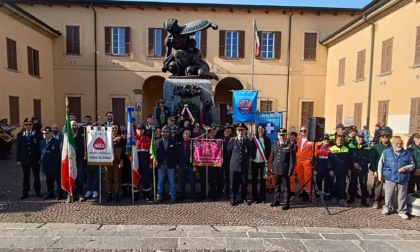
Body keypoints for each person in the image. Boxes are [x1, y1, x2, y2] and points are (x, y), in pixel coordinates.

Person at [378, 136, 415, 220]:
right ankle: (387, 207)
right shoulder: (386, 152)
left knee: (402, 195)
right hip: (389, 176)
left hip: (403, 177)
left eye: (401, 144)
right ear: (392, 144)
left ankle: (402, 211)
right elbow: (380, 163)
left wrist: (406, 168)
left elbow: (412, 165)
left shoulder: (407, 153)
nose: (399, 145)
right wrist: (380, 174)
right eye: (397, 144)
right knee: (388, 193)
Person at [16, 118, 43, 199]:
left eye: (30, 124)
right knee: (26, 176)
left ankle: (38, 191)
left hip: (35, 158)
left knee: (36, 176)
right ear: (24, 125)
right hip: (25, 159)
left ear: (32, 125)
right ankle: (25, 191)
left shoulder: (38, 134)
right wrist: (18, 159)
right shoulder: (20, 135)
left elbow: (40, 147)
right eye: (26, 124)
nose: (28, 126)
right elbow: (18, 148)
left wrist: (40, 158)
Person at [227, 123, 252, 206]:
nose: (240, 132)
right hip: (234, 166)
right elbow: (228, 152)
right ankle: (232, 198)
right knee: (233, 184)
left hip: (243, 165)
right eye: (238, 130)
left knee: (244, 184)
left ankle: (243, 198)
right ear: (236, 131)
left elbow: (249, 153)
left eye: (242, 130)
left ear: (245, 131)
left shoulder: (247, 142)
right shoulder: (232, 141)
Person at [270, 128, 296, 210]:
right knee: (277, 186)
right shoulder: (275, 144)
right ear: (277, 136)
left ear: (286, 135)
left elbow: (292, 160)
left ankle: (286, 203)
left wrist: (290, 171)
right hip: (277, 169)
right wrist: (273, 168)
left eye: (283, 135)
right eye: (279, 135)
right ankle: (276, 200)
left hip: (285, 170)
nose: (281, 137)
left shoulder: (290, 146)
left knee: (286, 188)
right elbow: (273, 158)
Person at [370, 128, 392, 209]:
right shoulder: (376, 147)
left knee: (389, 187)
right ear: (380, 138)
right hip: (379, 170)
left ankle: (388, 202)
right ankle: (376, 200)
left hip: (389, 170)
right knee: (378, 186)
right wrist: (374, 170)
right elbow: (372, 159)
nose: (385, 138)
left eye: (386, 136)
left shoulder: (392, 147)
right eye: (383, 137)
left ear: (389, 137)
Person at [348, 132, 371, 207]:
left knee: (363, 184)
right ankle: (352, 197)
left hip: (363, 169)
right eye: (359, 137)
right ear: (356, 137)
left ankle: (364, 199)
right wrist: (354, 163)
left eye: (362, 137)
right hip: (353, 168)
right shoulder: (351, 145)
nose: (360, 139)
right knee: (352, 183)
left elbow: (368, 158)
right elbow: (350, 156)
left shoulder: (367, 146)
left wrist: (361, 164)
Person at [155, 125, 177, 203]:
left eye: (167, 132)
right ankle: (159, 196)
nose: (165, 133)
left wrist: (176, 163)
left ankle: (173, 196)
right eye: (164, 132)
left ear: (169, 133)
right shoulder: (157, 142)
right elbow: (155, 153)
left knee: (171, 181)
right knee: (160, 181)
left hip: (170, 164)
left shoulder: (173, 141)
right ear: (161, 133)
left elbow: (175, 154)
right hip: (161, 165)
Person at [39, 126, 62, 200]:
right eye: (43, 133)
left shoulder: (57, 142)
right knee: (49, 180)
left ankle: (59, 193)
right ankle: (50, 193)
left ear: (51, 134)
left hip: (55, 164)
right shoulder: (41, 142)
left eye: (47, 133)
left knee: (58, 180)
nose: (45, 134)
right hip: (46, 164)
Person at [251, 123, 271, 203]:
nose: (260, 130)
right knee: (254, 180)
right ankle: (255, 198)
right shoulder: (254, 139)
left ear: (264, 130)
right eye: (259, 129)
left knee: (263, 180)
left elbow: (268, 150)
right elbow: (251, 149)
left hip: (263, 162)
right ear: (257, 130)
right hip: (254, 162)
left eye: (262, 129)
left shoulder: (267, 140)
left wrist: (266, 159)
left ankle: (262, 197)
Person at [328, 136, 351, 207]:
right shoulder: (332, 149)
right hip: (334, 172)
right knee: (334, 185)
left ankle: (342, 199)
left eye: (341, 140)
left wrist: (349, 169)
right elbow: (329, 161)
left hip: (343, 171)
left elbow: (349, 161)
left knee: (342, 186)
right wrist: (330, 170)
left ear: (343, 141)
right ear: (335, 141)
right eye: (338, 140)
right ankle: (334, 197)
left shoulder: (346, 149)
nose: (339, 142)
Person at [177, 128, 198, 201]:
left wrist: (195, 165)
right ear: (182, 135)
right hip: (182, 165)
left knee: (192, 181)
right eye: (184, 134)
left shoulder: (193, 143)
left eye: (187, 134)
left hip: (190, 165)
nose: (186, 135)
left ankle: (193, 194)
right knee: (182, 181)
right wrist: (177, 164)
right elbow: (176, 155)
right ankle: (182, 195)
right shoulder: (179, 143)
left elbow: (196, 155)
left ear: (190, 135)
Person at [105, 123, 124, 202]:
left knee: (117, 178)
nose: (114, 129)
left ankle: (116, 194)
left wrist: (122, 161)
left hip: (117, 161)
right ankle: (109, 194)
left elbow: (123, 151)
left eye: (116, 128)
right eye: (113, 128)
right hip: (108, 161)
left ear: (118, 129)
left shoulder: (121, 138)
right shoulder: (106, 137)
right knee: (108, 178)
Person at [67, 120, 85, 203]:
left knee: (79, 178)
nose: (74, 127)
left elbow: (83, 148)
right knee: (70, 178)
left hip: (79, 160)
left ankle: (80, 194)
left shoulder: (81, 137)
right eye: (72, 125)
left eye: (75, 125)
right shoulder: (66, 137)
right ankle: (70, 195)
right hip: (69, 160)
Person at [295, 126, 315, 201]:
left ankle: (307, 194)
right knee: (300, 177)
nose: (303, 132)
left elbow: (315, 151)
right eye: (302, 131)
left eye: (304, 131)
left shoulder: (311, 140)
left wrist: (312, 158)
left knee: (307, 177)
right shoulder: (299, 139)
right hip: (299, 160)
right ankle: (304, 190)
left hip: (307, 161)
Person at [135, 125, 152, 201]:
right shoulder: (133, 139)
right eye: (138, 130)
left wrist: (151, 162)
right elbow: (128, 151)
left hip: (145, 160)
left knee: (146, 178)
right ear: (136, 130)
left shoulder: (148, 139)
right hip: (136, 160)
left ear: (144, 131)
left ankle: (146, 194)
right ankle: (135, 194)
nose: (140, 131)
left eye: (142, 130)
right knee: (136, 177)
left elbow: (151, 152)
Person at [315, 134, 331, 200]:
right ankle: (318, 195)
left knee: (327, 182)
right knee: (318, 181)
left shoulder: (331, 148)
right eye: (325, 139)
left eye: (327, 139)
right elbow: (315, 158)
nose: (326, 141)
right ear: (322, 141)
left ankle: (326, 194)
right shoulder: (318, 148)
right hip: (320, 168)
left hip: (328, 168)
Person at [221, 125, 233, 199]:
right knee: (220, 177)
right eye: (225, 131)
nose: (226, 132)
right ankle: (220, 190)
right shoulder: (220, 141)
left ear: (230, 132)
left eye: (228, 131)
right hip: (221, 162)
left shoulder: (232, 140)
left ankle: (228, 192)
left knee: (228, 177)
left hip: (229, 162)